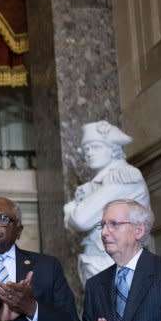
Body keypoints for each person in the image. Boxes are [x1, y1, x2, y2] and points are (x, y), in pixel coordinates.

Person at [63, 120, 150, 285]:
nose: (89, 153)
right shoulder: (96, 184)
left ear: (114, 149)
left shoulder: (124, 176)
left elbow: (80, 220)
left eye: (96, 147)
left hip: (117, 261)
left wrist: (73, 209)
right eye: (86, 149)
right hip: (101, 260)